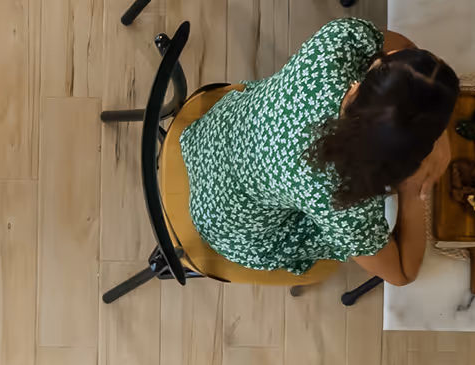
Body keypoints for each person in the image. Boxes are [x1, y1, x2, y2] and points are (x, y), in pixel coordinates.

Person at [178, 17, 460, 285]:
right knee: (343, 232)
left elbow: (406, 49)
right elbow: (401, 273)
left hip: (216, 132)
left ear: (358, 87)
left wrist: (426, 123)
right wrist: (413, 190)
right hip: (232, 228)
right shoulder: (342, 194)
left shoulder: (338, 42)